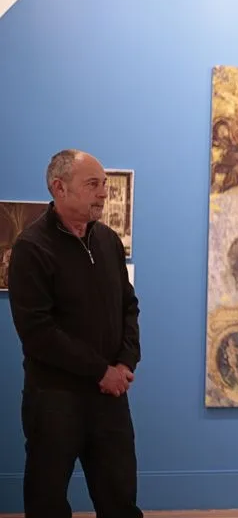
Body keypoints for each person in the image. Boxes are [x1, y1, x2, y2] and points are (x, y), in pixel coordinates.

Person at [7, 149, 143, 518]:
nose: (103, 193)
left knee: (120, 501)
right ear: (59, 188)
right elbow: (38, 332)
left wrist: (126, 361)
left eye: (105, 185)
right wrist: (102, 371)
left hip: (110, 398)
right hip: (55, 400)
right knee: (47, 502)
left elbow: (128, 307)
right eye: (93, 184)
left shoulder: (109, 242)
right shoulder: (31, 248)